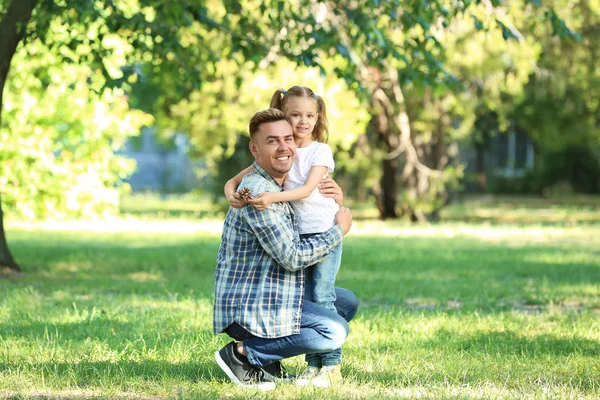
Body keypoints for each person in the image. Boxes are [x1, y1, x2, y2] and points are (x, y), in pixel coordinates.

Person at [213, 108, 357, 391]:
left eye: (288, 139)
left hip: (271, 293)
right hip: (250, 305)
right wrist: (339, 230)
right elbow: (292, 258)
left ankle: (270, 361)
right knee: (334, 330)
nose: (284, 147)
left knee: (345, 302)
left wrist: (334, 198)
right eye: (272, 141)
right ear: (254, 149)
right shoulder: (259, 196)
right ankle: (243, 355)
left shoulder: (281, 185)